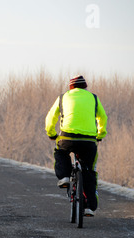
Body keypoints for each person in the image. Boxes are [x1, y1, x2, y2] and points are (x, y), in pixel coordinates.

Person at [45, 75, 108, 216]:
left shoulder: (63, 97)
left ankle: (64, 177)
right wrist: (100, 134)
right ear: (85, 87)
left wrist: (51, 134)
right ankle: (89, 207)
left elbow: (50, 118)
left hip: (67, 137)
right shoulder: (93, 98)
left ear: (70, 87)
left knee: (60, 152)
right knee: (89, 172)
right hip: (89, 141)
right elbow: (102, 118)